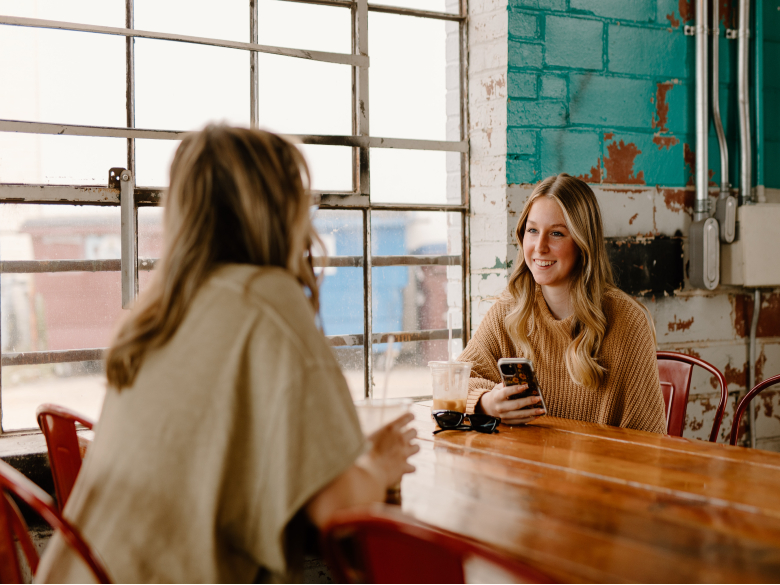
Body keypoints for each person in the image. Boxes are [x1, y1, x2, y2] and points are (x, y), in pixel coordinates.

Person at [36, 126, 419, 583]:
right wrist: (379, 465)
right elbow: (339, 508)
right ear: (277, 206)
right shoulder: (268, 299)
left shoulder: (163, 307)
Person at [460, 173, 666, 434]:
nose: (540, 246)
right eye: (532, 230)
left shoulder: (628, 321)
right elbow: (453, 382)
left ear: (583, 244)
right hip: (526, 471)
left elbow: (649, 443)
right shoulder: (511, 309)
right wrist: (485, 403)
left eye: (556, 233)